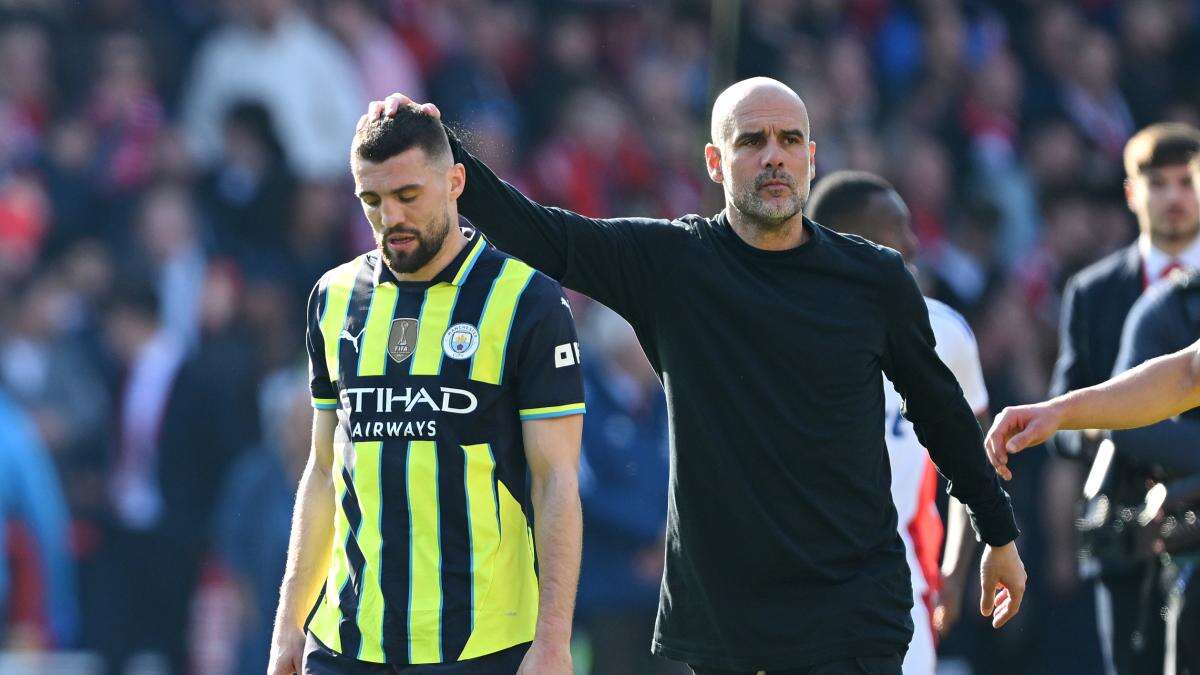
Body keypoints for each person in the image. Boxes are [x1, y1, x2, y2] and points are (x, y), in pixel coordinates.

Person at [365, 77, 1026, 674]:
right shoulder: (672, 263)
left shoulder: (874, 276)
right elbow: (542, 235)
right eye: (752, 141)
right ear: (714, 161)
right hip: (727, 625)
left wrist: (997, 532)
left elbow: (941, 409)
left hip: (853, 616)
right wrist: (443, 146)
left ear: (811, 157)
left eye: (790, 140)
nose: (774, 155)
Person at [267, 109, 585, 674]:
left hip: (480, 648)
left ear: (455, 182)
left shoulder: (526, 302)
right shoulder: (333, 298)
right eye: (371, 200)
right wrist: (289, 622)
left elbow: (555, 481)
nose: (391, 216)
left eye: (408, 194)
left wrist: (554, 640)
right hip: (347, 643)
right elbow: (322, 471)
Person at [1027, 122, 1200, 674]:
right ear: (1132, 192)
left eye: (1187, 182)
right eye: (1159, 183)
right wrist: (1107, 422)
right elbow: (1062, 415)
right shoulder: (1095, 291)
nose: (1174, 197)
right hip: (1129, 533)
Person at [805, 171, 986, 675]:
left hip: (899, 579)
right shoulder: (785, 333)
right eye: (894, 228)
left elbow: (977, 463)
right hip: (797, 575)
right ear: (845, 240)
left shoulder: (945, 335)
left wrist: (954, 569)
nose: (912, 242)